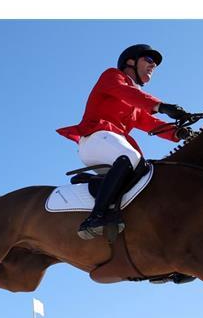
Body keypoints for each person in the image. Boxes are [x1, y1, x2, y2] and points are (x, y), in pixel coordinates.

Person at [57, 44, 193, 240]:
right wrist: (161, 106)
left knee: (143, 174)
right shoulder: (113, 76)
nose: (153, 65)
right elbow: (127, 93)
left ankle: (94, 184)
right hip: (96, 138)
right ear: (130, 62)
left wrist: (178, 132)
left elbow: (148, 122)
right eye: (148, 60)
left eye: (155, 63)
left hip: (108, 145)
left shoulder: (133, 102)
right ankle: (95, 218)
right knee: (132, 157)